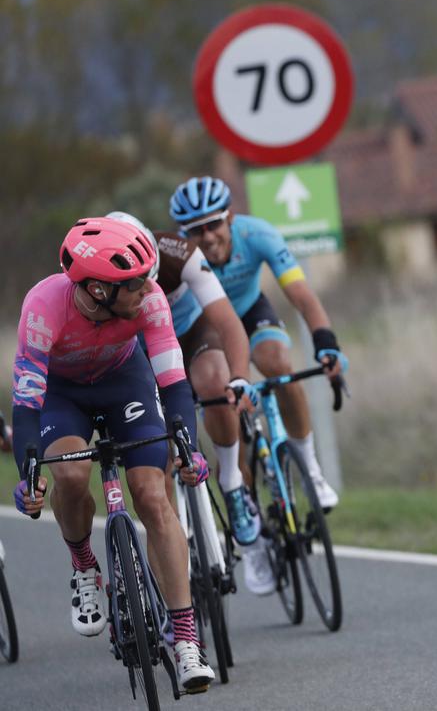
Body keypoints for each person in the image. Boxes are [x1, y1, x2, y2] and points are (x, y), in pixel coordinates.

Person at [10, 217, 215, 691]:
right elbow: (26, 403)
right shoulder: (43, 307)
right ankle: (84, 565)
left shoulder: (150, 300)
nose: (149, 289)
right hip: (63, 395)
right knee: (72, 475)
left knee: (151, 494)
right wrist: (29, 471)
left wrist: (186, 441)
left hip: (126, 382)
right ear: (99, 290)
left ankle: (185, 640)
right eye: (136, 283)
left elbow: (173, 382)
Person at [105, 212, 275, 596]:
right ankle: (172, 565)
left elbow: (229, 323)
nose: (144, 285)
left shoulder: (180, 252)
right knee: (154, 448)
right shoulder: (98, 277)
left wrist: (240, 377)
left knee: (215, 381)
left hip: (191, 332)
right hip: (138, 351)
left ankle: (232, 482)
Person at [168, 177, 346, 511]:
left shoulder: (259, 234)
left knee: (277, 362)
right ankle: (245, 506)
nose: (207, 237)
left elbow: (301, 294)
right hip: (207, 327)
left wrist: (325, 340)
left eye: (213, 224)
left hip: (250, 310)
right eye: (195, 230)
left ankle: (310, 469)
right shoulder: (178, 255)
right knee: (221, 397)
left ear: (230, 217)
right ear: (184, 234)